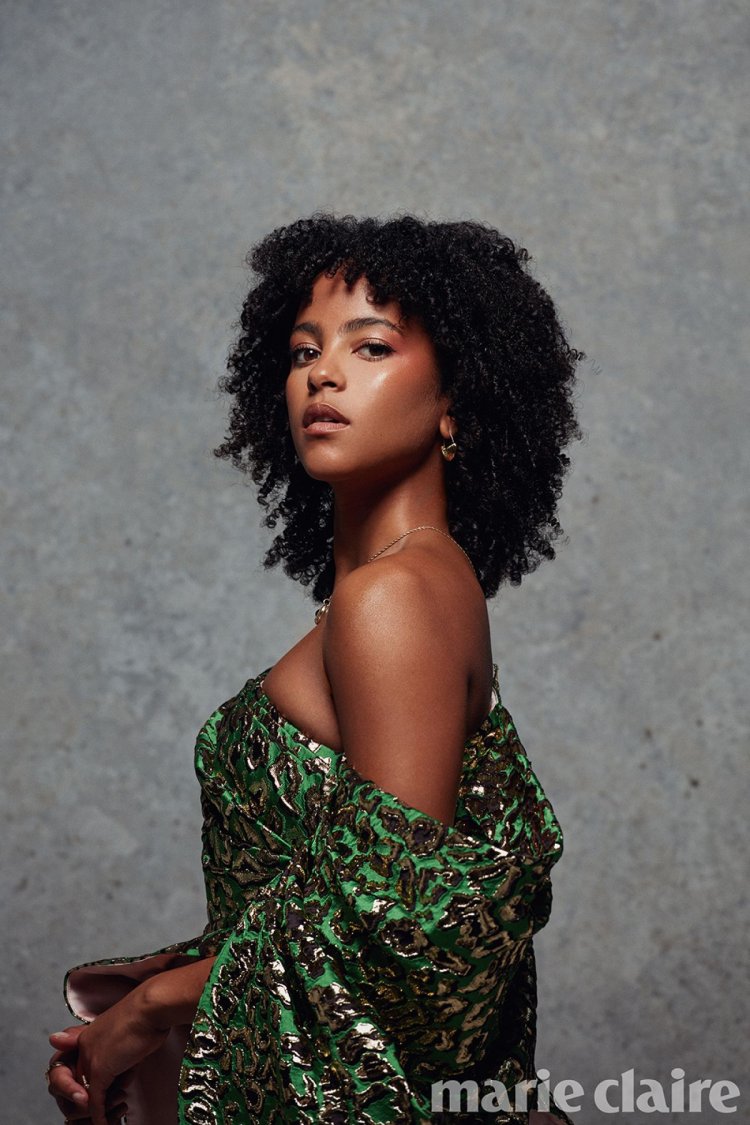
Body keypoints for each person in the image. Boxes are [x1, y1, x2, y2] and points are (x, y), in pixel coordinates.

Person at [46, 214, 583, 1124]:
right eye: (304, 350)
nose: (322, 374)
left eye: (371, 346)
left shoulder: (395, 597)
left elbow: (394, 916)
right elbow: (323, 903)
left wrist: (145, 1011)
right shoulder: (407, 586)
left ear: (456, 400)